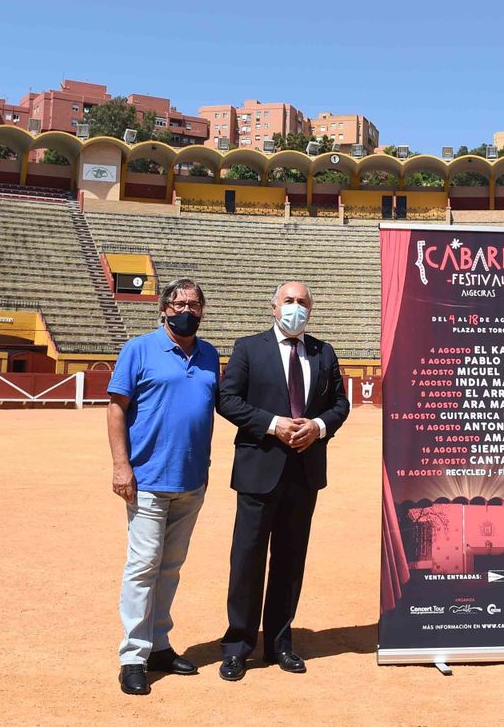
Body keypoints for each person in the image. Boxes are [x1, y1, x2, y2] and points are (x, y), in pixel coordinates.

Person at [214, 281, 351, 681]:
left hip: (304, 472)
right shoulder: (248, 348)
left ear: (312, 309)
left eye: (303, 302)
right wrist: (273, 425)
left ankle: (279, 643)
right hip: (260, 468)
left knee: (290, 561)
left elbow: (340, 403)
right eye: (288, 301)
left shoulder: (323, 352)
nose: (296, 307)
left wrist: (319, 426)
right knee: (247, 559)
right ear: (273, 307)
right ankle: (238, 645)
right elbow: (228, 399)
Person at [107, 278, 219, 696]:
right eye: (178, 303)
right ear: (164, 308)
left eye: (193, 303)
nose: (186, 309)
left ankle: (158, 645)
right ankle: (133, 655)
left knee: (169, 567)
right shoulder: (139, 348)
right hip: (148, 478)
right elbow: (116, 410)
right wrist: (122, 466)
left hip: (191, 479)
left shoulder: (209, 355)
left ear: (203, 311)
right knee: (142, 567)